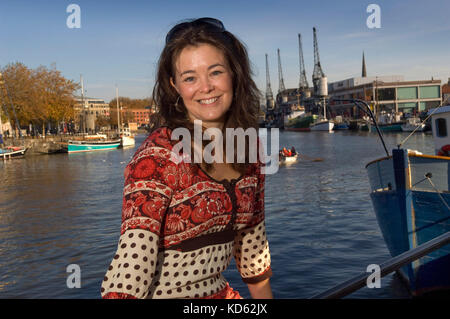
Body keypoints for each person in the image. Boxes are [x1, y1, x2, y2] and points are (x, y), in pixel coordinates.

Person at [101, 17, 273, 299]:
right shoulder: (158, 157)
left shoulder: (250, 149)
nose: (205, 87)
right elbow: (131, 271)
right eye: (190, 77)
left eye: (215, 72)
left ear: (234, 73)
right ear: (175, 86)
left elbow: (253, 248)